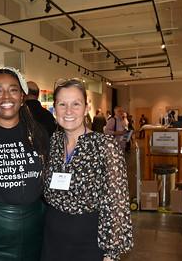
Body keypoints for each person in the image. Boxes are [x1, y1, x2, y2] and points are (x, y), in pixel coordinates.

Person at [41, 79, 133, 261]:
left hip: (89, 241)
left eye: (76, 104)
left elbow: (117, 204)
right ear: (55, 109)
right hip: (52, 240)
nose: (68, 111)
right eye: (62, 104)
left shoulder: (105, 146)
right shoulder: (53, 142)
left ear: (85, 108)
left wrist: (110, 254)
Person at [0, 67, 48, 261]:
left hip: (36, 228)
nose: (6, 96)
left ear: (22, 97)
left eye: (13, 90)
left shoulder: (38, 132)